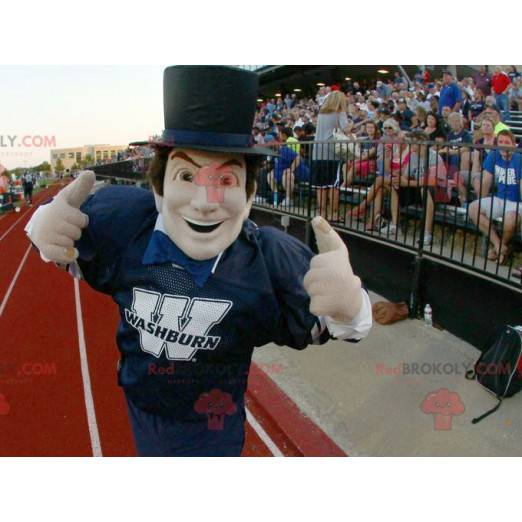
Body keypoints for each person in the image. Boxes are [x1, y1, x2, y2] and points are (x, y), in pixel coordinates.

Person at [25, 66, 372, 457]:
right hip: (141, 403)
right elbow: (69, 254)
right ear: (158, 185)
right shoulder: (123, 224)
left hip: (211, 425)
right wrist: (41, 227)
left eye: (226, 181)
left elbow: (345, 327)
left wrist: (352, 306)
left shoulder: (268, 259)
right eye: (187, 176)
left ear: (250, 192)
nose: (205, 203)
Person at [468, 129, 522, 265]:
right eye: (501, 142)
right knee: (473, 208)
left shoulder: (519, 159)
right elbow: (486, 183)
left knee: (510, 222)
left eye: (507, 142)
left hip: (517, 202)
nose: (503, 145)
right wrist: (481, 198)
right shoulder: (494, 155)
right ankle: (499, 246)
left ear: (513, 145)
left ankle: (498, 247)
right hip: (499, 199)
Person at [310, 90, 350, 220]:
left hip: (317, 152)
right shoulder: (339, 111)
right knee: (334, 185)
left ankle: (322, 214)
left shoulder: (322, 113)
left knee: (321, 186)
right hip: (332, 153)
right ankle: (334, 214)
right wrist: (355, 125)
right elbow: (346, 128)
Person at [266, 127, 309, 207]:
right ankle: (276, 197)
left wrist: (291, 169)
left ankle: (289, 199)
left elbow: (298, 158)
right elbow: (278, 166)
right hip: (287, 174)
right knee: (270, 175)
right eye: (267, 142)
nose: (268, 144)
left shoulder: (284, 149)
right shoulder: (273, 153)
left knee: (288, 175)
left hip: (300, 173)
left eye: (270, 142)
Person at [342, 120, 379, 188]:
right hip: (361, 160)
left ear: (375, 129)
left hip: (372, 162)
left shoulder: (377, 140)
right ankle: (347, 185)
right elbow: (356, 151)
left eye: (371, 127)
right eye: (368, 127)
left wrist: (355, 160)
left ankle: (344, 186)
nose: (369, 129)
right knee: (345, 165)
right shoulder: (364, 140)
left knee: (354, 166)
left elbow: (368, 155)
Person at [471, 117, 496, 195]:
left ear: (493, 128)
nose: (485, 126)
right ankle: (480, 202)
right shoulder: (479, 142)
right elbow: (475, 162)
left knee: (481, 180)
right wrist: (473, 175)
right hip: (481, 171)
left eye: (488, 125)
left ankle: (479, 204)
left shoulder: (498, 141)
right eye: (483, 125)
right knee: (476, 179)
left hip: (494, 172)